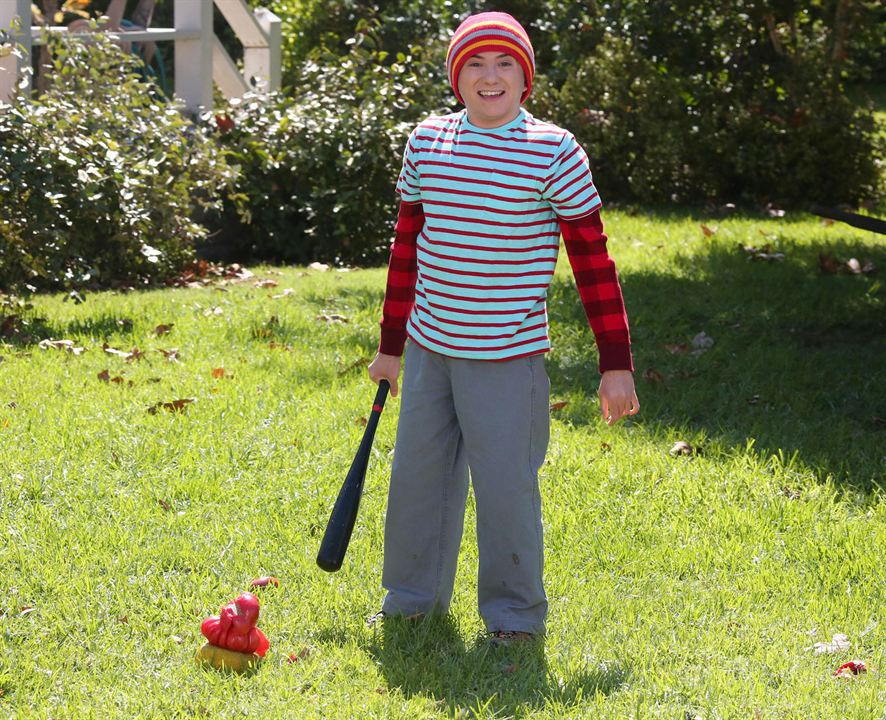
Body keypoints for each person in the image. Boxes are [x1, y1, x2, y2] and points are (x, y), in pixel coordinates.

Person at [367, 11, 638, 644]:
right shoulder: (428, 142)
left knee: (505, 490)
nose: (491, 77)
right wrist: (390, 347)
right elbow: (407, 247)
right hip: (432, 348)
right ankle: (411, 600)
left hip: (506, 355)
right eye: (475, 65)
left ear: (526, 78)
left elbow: (593, 262)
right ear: (456, 79)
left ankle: (515, 618)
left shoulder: (553, 150)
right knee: (417, 478)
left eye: (505, 64)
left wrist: (616, 362)